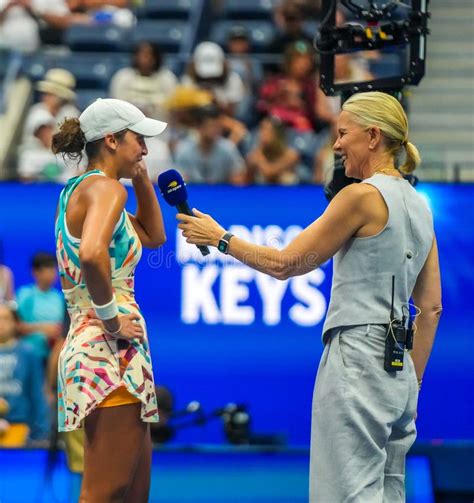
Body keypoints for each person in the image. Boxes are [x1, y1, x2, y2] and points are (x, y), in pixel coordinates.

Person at [177, 91, 442, 502]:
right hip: (399, 372)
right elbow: (431, 307)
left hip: (357, 357)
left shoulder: (359, 197)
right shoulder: (420, 206)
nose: (336, 145)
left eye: (342, 134)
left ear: (373, 136)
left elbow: (287, 264)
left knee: (344, 494)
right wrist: (412, 382)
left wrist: (221, 238)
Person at [51, 97, 167, 502]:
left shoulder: (83, 189)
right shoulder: (103, 188)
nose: (146, 149)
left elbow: (154, 237)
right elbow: (91, 254)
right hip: (106, 349)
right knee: (105, 492)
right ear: (113, 140)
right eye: (139, 140)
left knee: (133, 493)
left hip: (107, 348)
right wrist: (112, 319)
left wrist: (140, 178)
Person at [0, 302, 50, 447]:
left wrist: (41, 432)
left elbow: (37, 393)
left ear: (16, 323)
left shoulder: (29, 353)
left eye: (5, 319)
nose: (1, 324)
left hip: (20, 427)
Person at [174, 104, 246, 184]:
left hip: (221, 194)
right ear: (199, 127)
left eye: (218, 126)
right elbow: (180, 180)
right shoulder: (184, 150)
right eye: (211, 126)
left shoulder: (228, 149)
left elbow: (238, 179)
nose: (216, 130)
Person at [110, 41, 178, 123]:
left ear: (156, 57)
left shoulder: (167, 78)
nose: (146, 58)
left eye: (149, 54)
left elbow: (172, 105)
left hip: (158, 124)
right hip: (128, 124)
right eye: (142, 55)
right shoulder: (123, 76)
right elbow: (116, 104)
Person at [16, 252, 64, 364]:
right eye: (49, 269)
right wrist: (43, 328)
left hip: (55, 353)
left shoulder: (59, 297)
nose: (53, 273)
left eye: (54, 269)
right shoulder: (25, 295)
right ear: (36, 272)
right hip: (31, 354)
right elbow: (17, 327)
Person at [246, 116, 301, 185]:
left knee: (285, 178)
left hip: (285, 194)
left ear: (276, 134)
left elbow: (268, 172)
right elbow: (245, 183)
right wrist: (250, 168)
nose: (261, 134)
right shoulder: (255, 155)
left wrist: (259, 151)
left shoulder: (291, 155)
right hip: (263, 194)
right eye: (261, 130)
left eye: (265, 130)